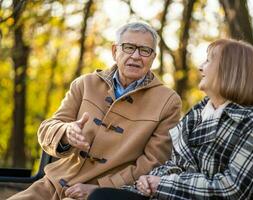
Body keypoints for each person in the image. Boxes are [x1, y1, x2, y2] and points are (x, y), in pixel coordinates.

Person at [8, 22, 182, 200]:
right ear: (115, 51)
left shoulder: (168, 102)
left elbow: (153, 163)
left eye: (145, 50)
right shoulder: (85, 83)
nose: (136, 56)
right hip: (52, 184)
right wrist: (66, 132)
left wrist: (100, 189)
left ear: (153, 57)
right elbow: (48, 128)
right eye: (129, 47)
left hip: (105, 193)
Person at [87, 38, 253, 200]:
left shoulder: (252, 123)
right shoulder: (197, 113)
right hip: (164, 194)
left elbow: (233, 188)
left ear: (230, 70)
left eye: (208, 60)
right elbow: (174, 165)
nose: (200, 66)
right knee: (101, 196)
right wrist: (145, 182)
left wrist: (163, 185)